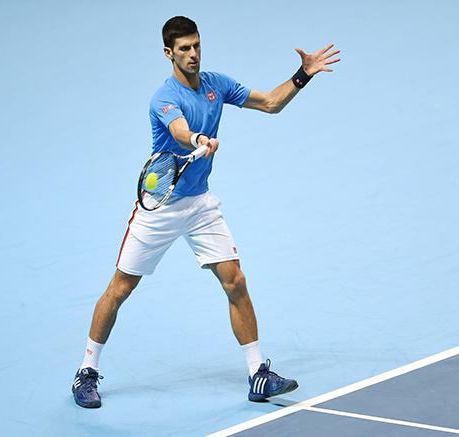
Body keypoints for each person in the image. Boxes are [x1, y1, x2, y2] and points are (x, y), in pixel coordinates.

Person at [72, 16, 339, 408]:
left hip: (200, 205)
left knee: (235, 281)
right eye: (184, 49)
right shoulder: (164, 97)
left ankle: (257, 375)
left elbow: (270, 104)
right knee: (120, 289)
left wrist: (303, 74)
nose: (193, 54)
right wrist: (198, 138)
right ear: (169, 53)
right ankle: (86, 371)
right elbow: (179, 130)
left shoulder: (217, 84)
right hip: (160, 207)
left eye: (196, 45)